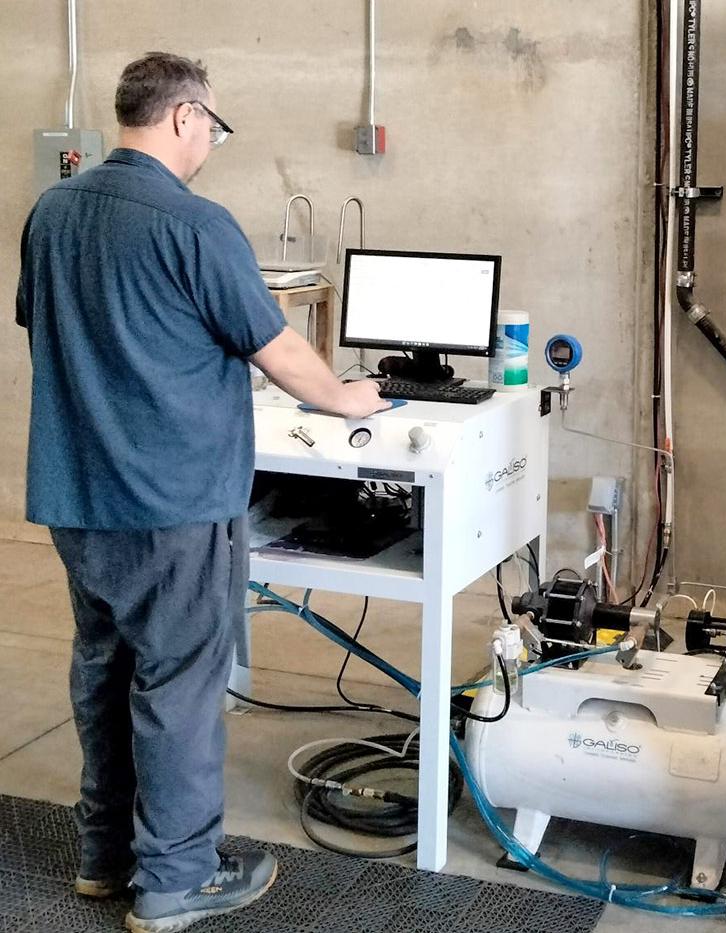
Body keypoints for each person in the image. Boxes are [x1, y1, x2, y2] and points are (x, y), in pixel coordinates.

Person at [14, 52, 387, 933]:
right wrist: (347, 395)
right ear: (183, 118)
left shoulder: (52, 211)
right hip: (171, 501)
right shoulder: (197, 225)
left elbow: (52, 324)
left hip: (76, 495)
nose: (212, 143)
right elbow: (279, 350)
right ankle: (176, 880)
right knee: (179, 685)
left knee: (105, 671)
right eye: (213, 127)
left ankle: (105, 860)